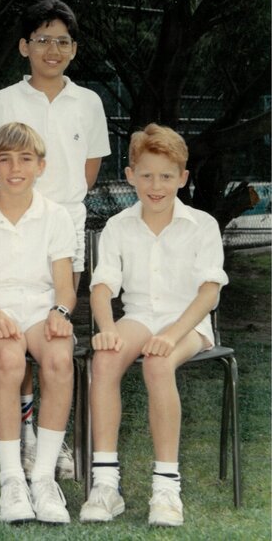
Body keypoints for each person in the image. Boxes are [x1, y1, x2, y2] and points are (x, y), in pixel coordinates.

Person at [0, 0, 109, 479]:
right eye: (41, 40)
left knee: (54, 326)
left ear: (74, 49)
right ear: (23, 46)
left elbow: (90, 170)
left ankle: (54, 443)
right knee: (14, 323)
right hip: (11, 222)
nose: (51, 50)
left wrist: (54, 209)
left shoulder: (90, 102)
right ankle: (28, 433)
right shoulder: (4, 101)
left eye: (61, 41)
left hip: (64, 224)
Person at [80, 124, 227, 527]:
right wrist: (107, 328)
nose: (156, 185)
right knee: (106, 358)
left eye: (166, 176)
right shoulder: (118, 226)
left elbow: (208, 294)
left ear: (183, 177)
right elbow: (101, 286)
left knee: (158, 364)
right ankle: (106, 485)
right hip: (139, 317)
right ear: (130, 176)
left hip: (187, 323)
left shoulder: (203, 225)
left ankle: (166, 489)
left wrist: (171, 335)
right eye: (146, 175)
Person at [0, 122, 76, 524]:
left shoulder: (57, 216)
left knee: (60, 360)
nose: (14, 168)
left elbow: (65, 289)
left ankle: (42, 479)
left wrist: (60, 315)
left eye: (25, 159)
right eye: (4, 160)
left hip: (41, 309)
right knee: (10, 359)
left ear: (41, 165)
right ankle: (12, 481)